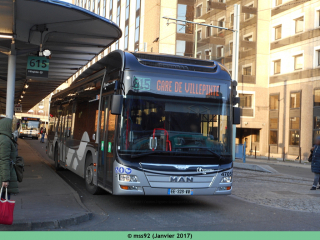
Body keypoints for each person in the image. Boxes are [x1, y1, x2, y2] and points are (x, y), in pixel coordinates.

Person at [0, 118, 19, 199]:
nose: (13, 129)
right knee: (4, 199)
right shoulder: (5, 140)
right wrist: (5, 179)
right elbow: (4, 160)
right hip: (2, 175)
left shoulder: (3, 138)